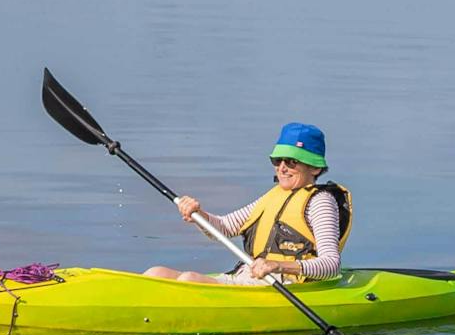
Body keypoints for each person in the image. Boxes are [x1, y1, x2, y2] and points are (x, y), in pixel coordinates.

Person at [144, 122, 352, 285]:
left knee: (189, 279)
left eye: (291, 161)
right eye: (277, 161)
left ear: (315, 168)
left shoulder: (320, 202)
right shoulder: (273, 196)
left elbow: (331, 266)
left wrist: (277, 265)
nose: (282, 168)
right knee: (156, 273)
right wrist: (199, 215)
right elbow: (224, 228)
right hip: (249, 278)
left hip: (285, 285)